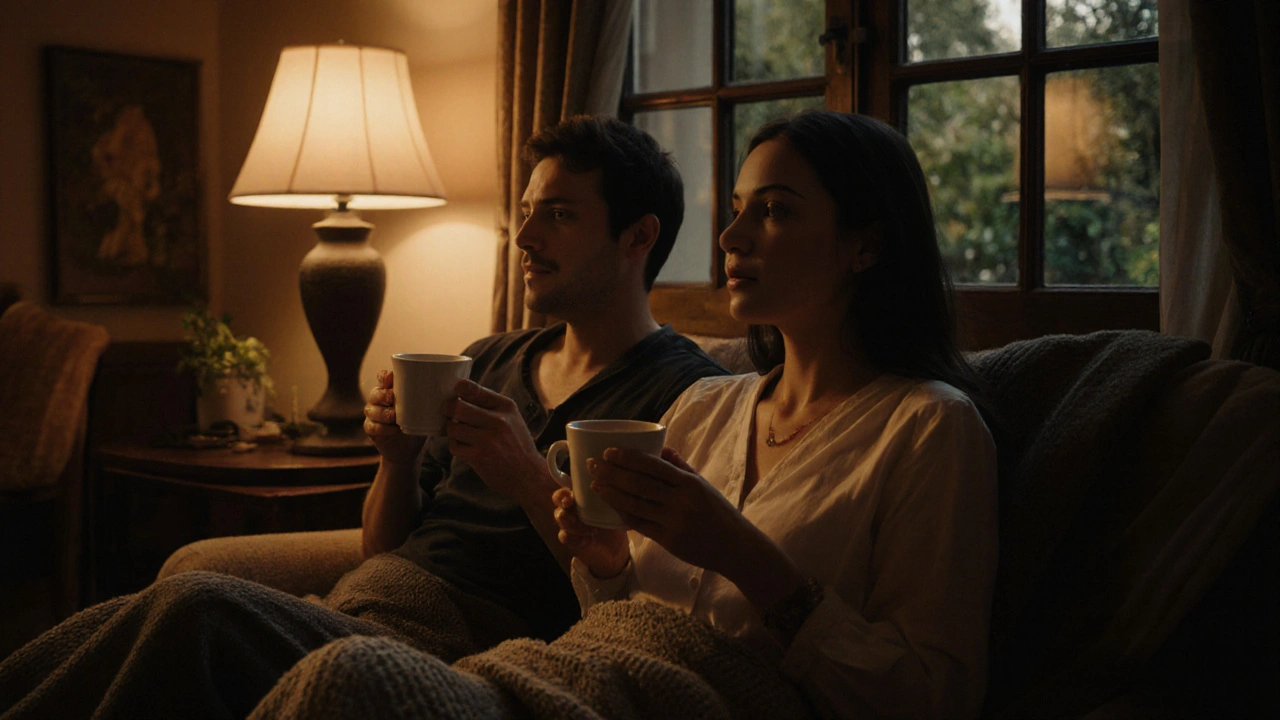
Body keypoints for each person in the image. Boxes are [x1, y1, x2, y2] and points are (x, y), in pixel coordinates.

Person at [0, 116, 726, 720]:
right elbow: (382, 544)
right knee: (169, 613)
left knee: (198, 606)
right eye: (528, 212)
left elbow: (634, 595)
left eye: (560, 215)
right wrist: (397, 459)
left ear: (638, 238)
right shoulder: (490, 357)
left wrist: (527, 474)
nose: (526, 237)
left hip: (463, 644)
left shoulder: (685, 394)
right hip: (369, 604)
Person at [551, 110, 999, 719]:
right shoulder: (703, 406)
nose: (730, 236)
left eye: (775, 210)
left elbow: (933, 698)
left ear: (865, 244)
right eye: (737, 207)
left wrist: (744, 556)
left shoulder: (929, 429)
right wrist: (609, 567)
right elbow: (629, 643)